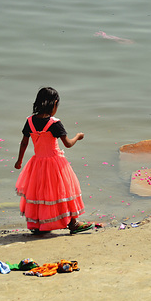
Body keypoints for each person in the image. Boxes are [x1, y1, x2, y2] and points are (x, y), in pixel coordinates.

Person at [14, 87, 93, 235]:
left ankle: (37, 225)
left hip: (37, 163)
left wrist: (19, 161)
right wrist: (78, 136)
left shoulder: (29, 121)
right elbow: (68, 144)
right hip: (55, 164)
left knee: (39, 194)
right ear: (55, 103)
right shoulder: (54, 123)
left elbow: (24, 142)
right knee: (61, 193)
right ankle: (73, 223)